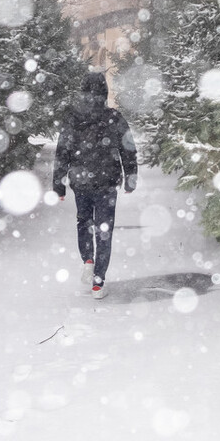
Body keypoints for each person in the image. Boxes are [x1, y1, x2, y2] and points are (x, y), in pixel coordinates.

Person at [52, 71, 137, 299]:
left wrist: (58, 185)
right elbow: (128, 148)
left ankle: (87, 259)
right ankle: (98, 283)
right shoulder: (114, 117)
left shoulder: (72, 117)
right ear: (104, 92)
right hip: (107, 182)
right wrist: (130, 178)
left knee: (84, 222)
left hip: (81, 181)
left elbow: (63, 151)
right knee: (104, 230)